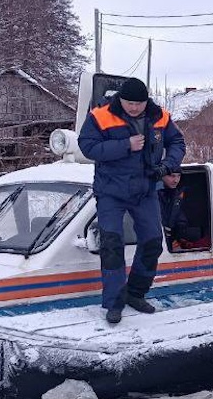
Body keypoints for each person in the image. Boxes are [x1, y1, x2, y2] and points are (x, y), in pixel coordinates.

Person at [78, 77, 186, 325]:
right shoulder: (100, 116)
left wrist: (168, 166)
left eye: (139, 103)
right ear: (121, 99)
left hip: (145, 189)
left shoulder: (161, 117)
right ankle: (114, 303)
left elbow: (178, 142)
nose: (135, 108)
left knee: (152, 242)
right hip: (111, 192)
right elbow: (88, 147)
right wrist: (125, 145)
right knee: (112, 245)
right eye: (130, 103)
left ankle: (135, 293)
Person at [159, 172, 209, 251]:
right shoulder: (156, 195)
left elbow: (180, 222)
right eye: (172, 176)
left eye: (178, 176)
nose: (176, 180)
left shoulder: (178, 198)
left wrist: (179, 237)